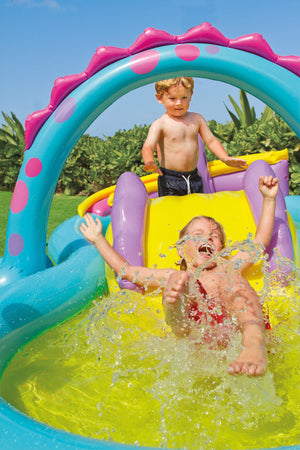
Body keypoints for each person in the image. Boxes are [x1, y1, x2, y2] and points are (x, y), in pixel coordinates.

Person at [80, 175, 278, 377]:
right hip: (192, 333)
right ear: (181, 249)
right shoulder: (175, 275)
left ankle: (254, 344)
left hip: (236, 327)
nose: (206, 239)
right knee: (180, 284)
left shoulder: (228, 265)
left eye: (214, 237)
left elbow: (259, 243)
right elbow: (128, 271)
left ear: (221, 248)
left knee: (234, 282)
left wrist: (269, 199)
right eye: (198, 234)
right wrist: (98, 239)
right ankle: (174, 303)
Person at [142, 77, 247, 196]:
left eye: (184, 98)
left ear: (191, 95)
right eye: (172, 98)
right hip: (170, 179)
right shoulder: (160, 124)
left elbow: (211, 141)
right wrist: (149, 161)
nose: (179, 103)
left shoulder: (197, 119)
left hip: (194, 178)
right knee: (174, 212)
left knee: (198, 211)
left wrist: (225, 158)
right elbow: (148, 146)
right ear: (159, 98)